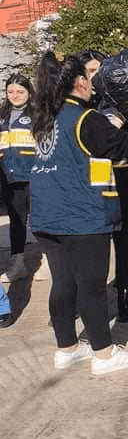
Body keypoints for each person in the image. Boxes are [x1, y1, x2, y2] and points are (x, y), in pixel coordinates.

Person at [31, 51, 128, 375]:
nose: (93, 83)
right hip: (81, 217)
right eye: (89, 77)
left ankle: (66, 348)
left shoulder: (47, 118)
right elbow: (127, 150)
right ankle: (104, 356)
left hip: (47, 215)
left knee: (63, 284)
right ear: (80, 81)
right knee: (91, 288)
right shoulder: (84, 119)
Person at [79, 49, 128, 322]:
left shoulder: (120, 99)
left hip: (121, 175)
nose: (95, 76)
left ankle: (125, 296)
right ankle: (85, 298)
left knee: (122, 239)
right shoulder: (79, 104)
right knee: (90, 242)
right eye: (89, 71)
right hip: (90, 180)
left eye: (98, 70)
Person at [0, 73, 38, 284]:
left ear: (29, 93)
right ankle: (18, 264)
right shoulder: (2, 115)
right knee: (17, 220)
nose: (15, 95)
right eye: (10, 91)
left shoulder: (38, 114)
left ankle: (49, 262)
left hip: (33, 175)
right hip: (9, 176)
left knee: (40, 219)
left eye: (20, 91)